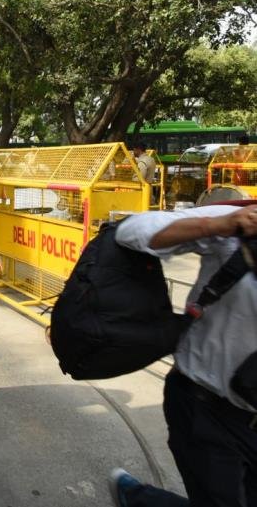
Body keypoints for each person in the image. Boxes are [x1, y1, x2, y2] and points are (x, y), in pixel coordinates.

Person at [109, 202, 257, 506]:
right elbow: (130, 231)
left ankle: (141, 498)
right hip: (207, 408)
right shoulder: (241, 226)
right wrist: (218, 224)